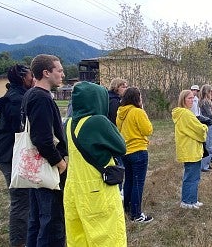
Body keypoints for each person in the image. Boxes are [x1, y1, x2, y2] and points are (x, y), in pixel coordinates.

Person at [64, 81, 127, 246]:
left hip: (74, 190)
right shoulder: (97, 121)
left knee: (79, 237)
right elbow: (121, 147)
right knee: (107, 237)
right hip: (98, 191)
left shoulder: (69, 124)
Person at [22, 54, 68, 246]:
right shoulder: (41, 99)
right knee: (52, 223)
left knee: (37, 219)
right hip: (46, 168)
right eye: (59, 70)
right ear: (46, 73)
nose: (63, 74)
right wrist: (60, 162)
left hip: (35, 168)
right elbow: (42, 139)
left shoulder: (31, 94)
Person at [0, 64, 34, 247]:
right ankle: (18, 243)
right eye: (31, 75)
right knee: (21, 199)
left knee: (26, 198)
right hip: (9, 155)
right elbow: (22, 129)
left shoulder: (18, 95)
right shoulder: (18, 100)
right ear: (23, 78)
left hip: (8, 153)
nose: (33, 79)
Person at [116, 87, 154, 223]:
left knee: (129, 182)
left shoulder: (121, 112)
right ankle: (136, 214)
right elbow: (148, 130)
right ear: (137, 98)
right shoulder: (138, 112)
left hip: (125, 151)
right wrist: (143, 110)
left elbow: (118, 128)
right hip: (138, 150)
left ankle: (127, 208)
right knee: (138, 183)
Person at [172, 90, 208, 209]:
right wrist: (205, 127)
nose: (192, 100)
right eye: (189, 98)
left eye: (193, 98)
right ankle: (187, 201)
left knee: (194, 175)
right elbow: (199, 129)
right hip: (190, 148)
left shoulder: (185, 113)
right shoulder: (185, 114)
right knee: (191, 176)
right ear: (183, 100)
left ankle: (192, 199)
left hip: (189, 148)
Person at [199, 84, 212, 172]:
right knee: (209, 145)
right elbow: (210, 114)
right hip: (209, 124)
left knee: (209, 144)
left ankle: (207, 164)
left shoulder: (205, 101)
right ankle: (204, 165)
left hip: (209, 124)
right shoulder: (205, 102)